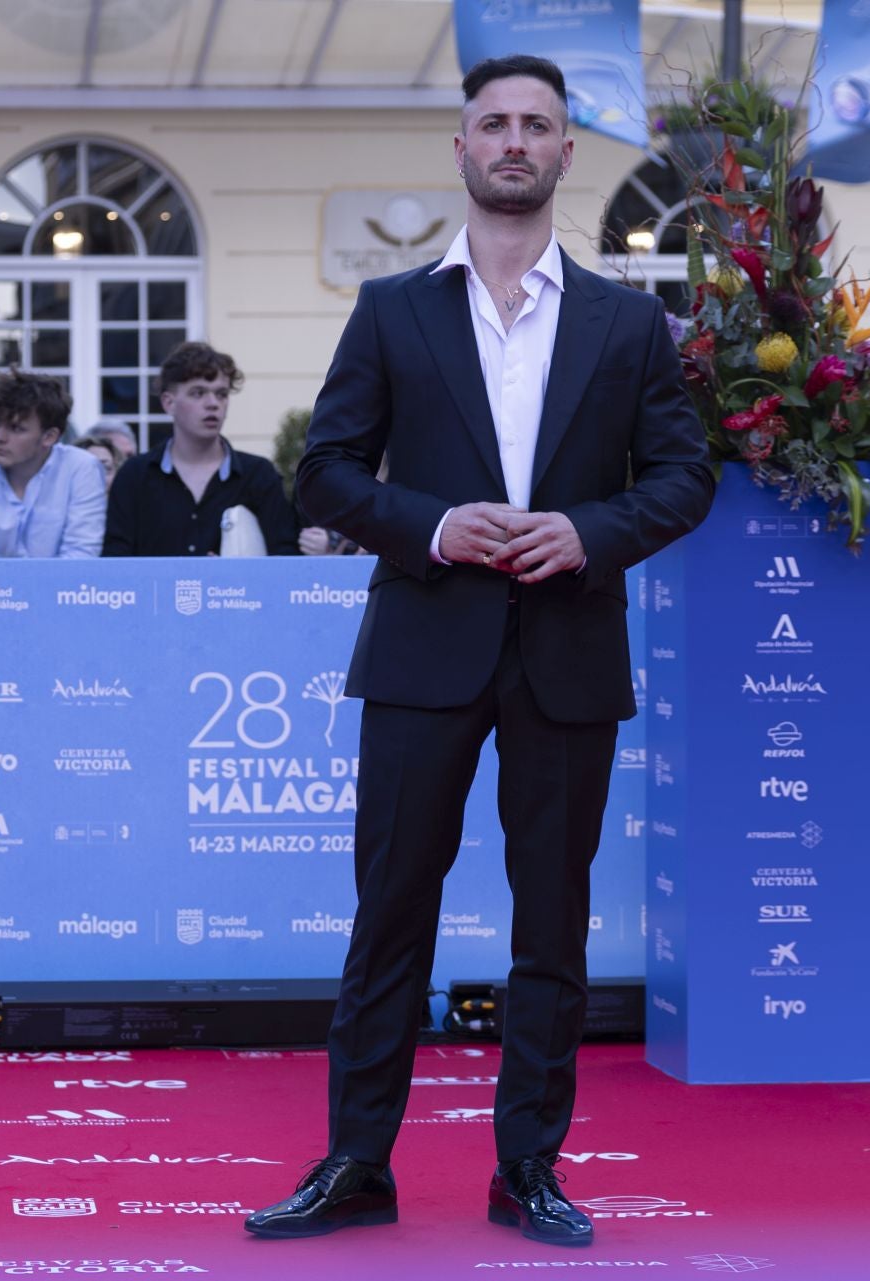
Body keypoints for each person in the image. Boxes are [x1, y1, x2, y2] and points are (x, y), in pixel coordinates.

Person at [244, 55, 713, 1247]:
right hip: (421, 649)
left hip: (567, 650)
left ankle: (530, 1172)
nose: (514, 140)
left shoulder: (626, 321)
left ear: (565, 155)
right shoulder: (392, 309)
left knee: (552, 926)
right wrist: (441, 525)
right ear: (460, 150)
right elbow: (327, 472)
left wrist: (588, 532)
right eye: (493, 123)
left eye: (537, 125)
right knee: (387, 915)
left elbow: (683, 478)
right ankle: (357, 1163)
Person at [101, 341, 299, 556]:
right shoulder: (135, 476)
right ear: (169, 403)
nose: (213, 403)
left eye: (222, 394)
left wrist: (236, 578)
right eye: (198, 393)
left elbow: (285, 558)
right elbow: (115, 561)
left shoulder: (259, 475)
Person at [0, 369, 105, 559]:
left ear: (49, 437)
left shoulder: (80, 468)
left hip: (51, 589)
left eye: (16, 428)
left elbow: (80, 560)